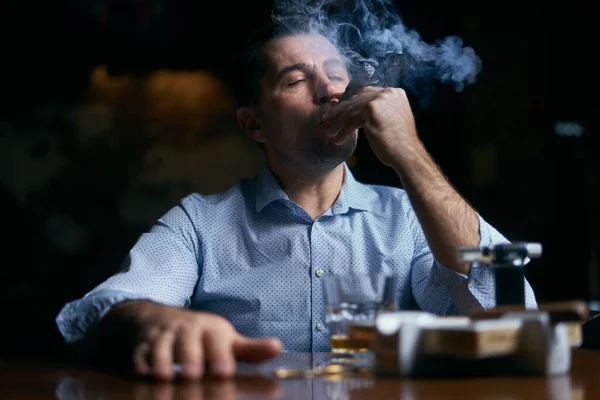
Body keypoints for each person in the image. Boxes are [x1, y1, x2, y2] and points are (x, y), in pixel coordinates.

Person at [55, 21, 537, 381]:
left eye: (335, 74)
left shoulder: (410, 218)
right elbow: (100, 309)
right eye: (295, 80)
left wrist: (409, 155)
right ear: (254, 125)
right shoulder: (200, 223)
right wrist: (154, 317)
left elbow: (510, 310)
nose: (329, 90)